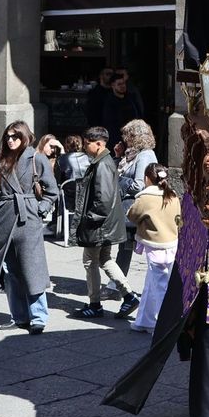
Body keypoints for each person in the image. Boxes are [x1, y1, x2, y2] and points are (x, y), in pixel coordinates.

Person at [0, 121, 58, 334]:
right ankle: (18, 316)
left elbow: (52, 190)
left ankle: (38, 316)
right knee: (10, 271)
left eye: (15, 136)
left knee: (32, 268)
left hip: (28, 217)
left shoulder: (37, 158)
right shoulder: (0, 161)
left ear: (25, 137)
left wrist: (39, 209)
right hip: (5, 218)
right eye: (8, 136)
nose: (10, 140)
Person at [75, 126, 134, 320]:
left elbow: (104, 198)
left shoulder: (102, 164)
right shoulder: (104, 162)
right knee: (105, 259)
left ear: (99, 144)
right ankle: (129, 295)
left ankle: (95, 304)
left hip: (99, 225)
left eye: (87, 143)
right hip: (105, 224)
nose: (85, 147)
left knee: (90, 261)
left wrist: (89, 219)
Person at [127, 163, 181, 333]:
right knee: (152, 282)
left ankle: (163, 324)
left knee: (159, 284)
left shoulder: (145, 198)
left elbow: (132, 215)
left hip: (154, 243)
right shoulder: (173, 196)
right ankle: (145, 320)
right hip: (172, 241)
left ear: (146, 179)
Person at [116, 119, 162, 278]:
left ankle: (117, 285)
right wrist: (118, 157)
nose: (124, 139)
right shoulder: (133, 154)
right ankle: (117, 284)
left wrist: (118, 179)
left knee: (130, 247)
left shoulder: (145, 155)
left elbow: (139, 185)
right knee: (125, 247)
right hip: (128, 207)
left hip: (137, 207)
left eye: (127, 136)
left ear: (134, 136)